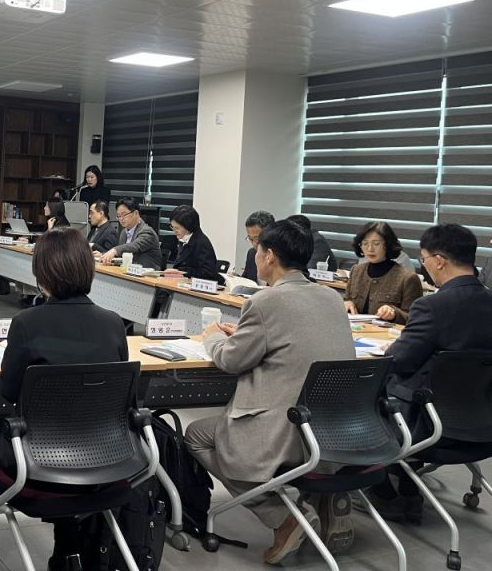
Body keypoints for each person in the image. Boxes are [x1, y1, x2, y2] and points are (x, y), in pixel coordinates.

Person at [185, 219, 355, 564]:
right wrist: (244, 334)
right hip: (331, 430)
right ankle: (323, 500)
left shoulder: (265, 301)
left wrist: (212, 337)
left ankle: (283, 517)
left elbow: (231, 360)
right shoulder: (331, 297)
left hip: (283, 430)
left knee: (197, 436)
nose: (255, 255)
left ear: (270, 256)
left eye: (257, 249)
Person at [0, 227, 129, 571]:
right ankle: (66, 549)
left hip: (39, 462)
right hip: (106, 455)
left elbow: (9, 392)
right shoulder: (114, 324)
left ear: (42, 273)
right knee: (69, 426)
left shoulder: (27, 323)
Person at [366, 224, 492, 520]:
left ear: (439, 261)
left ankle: (383, 491)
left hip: (428, 424)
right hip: (482, 423)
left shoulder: (432, 306)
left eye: (423, 260)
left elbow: (398, 361)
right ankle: (408, 485)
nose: (424, 267)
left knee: (368, 393)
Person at [343, 221, 422, 324]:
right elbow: (347, 299)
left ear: (388, 245)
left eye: (376, 244)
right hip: (355, 330)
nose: (370, 249)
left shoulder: (408, 278)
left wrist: (394, 314)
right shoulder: (356, 271)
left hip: (386, 334)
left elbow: (415, 319)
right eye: (365, 243)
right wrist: (347, 303)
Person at [98, 197, 162, 269]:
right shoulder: (124, 232)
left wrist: (114, 251)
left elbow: (134, 246)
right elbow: (121, 256)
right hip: (127, 272)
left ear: (136, 213)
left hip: (148, 273)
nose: (121, 219)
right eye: (119, 216)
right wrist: (104, 255)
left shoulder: (147, 232)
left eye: (124, 214)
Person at [169, 205, 223, 284]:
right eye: (172, 227)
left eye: (177, 228)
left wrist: (182, 272)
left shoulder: (201, 243)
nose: (174, 231)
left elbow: (208, 273)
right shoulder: (185, 239)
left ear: (188, 227)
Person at [242, 210, 275, 282]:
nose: (254, 244)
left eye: (257, 239)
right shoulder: (252, 254)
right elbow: (246, 279)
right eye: (251, 239)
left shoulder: (280, 258)